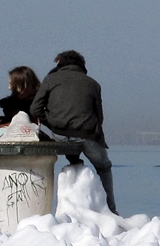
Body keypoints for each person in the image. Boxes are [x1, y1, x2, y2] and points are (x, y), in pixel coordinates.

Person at [31, 50, 117, 214]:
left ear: (59, 63)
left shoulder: (50, 80)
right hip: (87, 134)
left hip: (60, 134)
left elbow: (35, 109)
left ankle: (73, 165)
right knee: (104, 167)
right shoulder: (93, 84)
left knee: (68, 153)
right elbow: (99, 117)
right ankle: (111, 209)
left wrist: (53, 124)